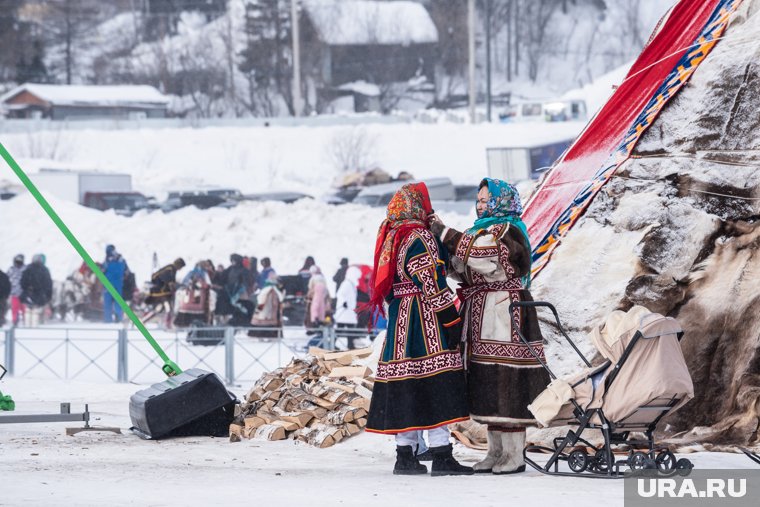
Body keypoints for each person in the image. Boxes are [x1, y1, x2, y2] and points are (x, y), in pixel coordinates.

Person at [430, 177, 550, 475]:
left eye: (486, 200)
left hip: (504, 311)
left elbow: (483, 254)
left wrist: (444, 233)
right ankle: (494, 451)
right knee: (487, 379)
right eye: (479, 200)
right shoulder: (478, 231)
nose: (481, 204)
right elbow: (466, 265)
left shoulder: (507, 230)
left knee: (506, 379)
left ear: (501, 201)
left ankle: (514, 454)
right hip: (482, 311)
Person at [364, 182, 472, 477]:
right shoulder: (419, 236)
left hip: (401, 318)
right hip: (425, 320)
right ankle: (441, 455)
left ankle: (405, 456)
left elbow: (387, 285)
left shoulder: (394, 236)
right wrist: (451, 320)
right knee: (437, 383)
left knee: (409, 387)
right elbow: (432, 283)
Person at [143, 258, 185, 328]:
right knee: (168, 308)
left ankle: (144, 320)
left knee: (160, 308)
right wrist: (171, 285)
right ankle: (167, 325)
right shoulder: (170, 269)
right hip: (160, 292)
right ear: (178, 265)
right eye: (181, 267)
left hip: (162, 292)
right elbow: (167, 279)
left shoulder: (171, 268)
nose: (180, 269)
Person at [20, 254, 53, 328]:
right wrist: (48, 295)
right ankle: (34, 329)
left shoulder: (28, 268)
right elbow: (48, 284)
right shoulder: (44, 270)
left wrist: (26, 289)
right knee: (35, 311)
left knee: (28, 311)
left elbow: (22, 282)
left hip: (29, 293)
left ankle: (27, 328)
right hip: (39, 294)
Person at [250, 271, 283, 337]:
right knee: (266, 321)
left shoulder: (269, 289)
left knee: (265, 320)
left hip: (269, 308)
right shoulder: (271, 289)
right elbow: (262, 299)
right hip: (269, 308)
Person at [334, 266, 361, 349]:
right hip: (344, 311)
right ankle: (333, 342)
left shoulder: (351, 284)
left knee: (350, 329)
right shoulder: (346, 283)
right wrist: (344, 302)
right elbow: (340, 294)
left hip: (349, 311)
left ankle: (350, 344)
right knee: (341, 329)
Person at [102, 244, 128, 323]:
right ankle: (119, 319)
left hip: (108, 284)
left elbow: (103, 270)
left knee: (107, 303)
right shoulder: (121, 259)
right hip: (118, 283)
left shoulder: (107, 260)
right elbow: (126, 272)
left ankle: (108, 320)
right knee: (118, 302)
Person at [7, 254, 26, 326]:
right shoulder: (11, 269)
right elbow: (7, 279)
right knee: (15, 308)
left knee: (22, 308)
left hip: (22, 293)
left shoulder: (25, 269)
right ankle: (15, 320)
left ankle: (24, 320)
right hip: (16, 293)